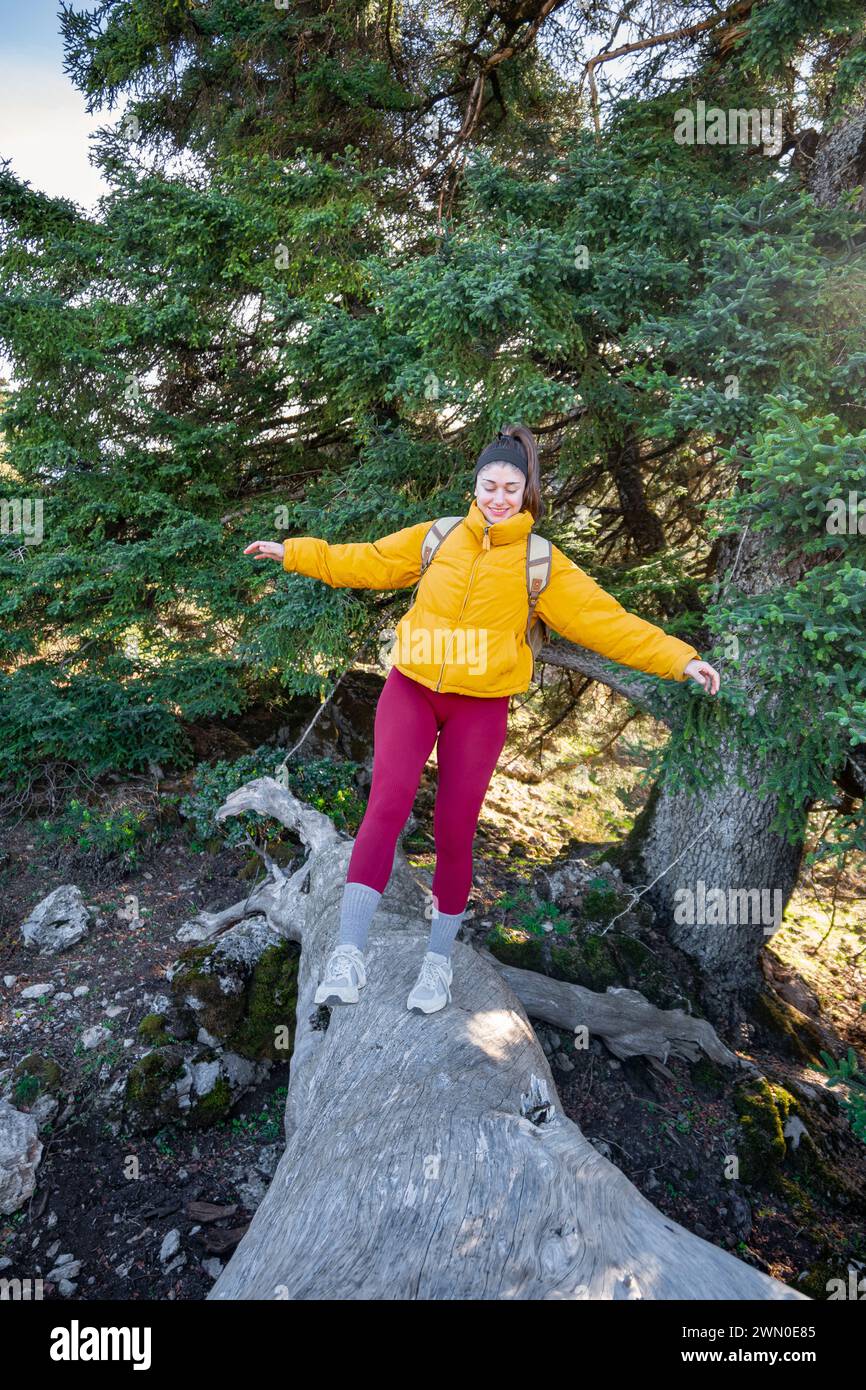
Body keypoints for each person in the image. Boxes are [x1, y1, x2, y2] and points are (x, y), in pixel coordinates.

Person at [244, 425, 720, 1016]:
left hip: (481, 705)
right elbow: (365, 561)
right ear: (476, 486)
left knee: (455, 827)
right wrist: (292, 552)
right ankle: (348, 952)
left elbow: (606, 621)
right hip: (412, 689)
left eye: (511, 488)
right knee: (387, 803)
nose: (498, 497)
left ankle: (438, 963)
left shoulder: (540, 563)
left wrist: (680, 657)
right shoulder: (439, 537)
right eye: (489, 484)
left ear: (527, 494)